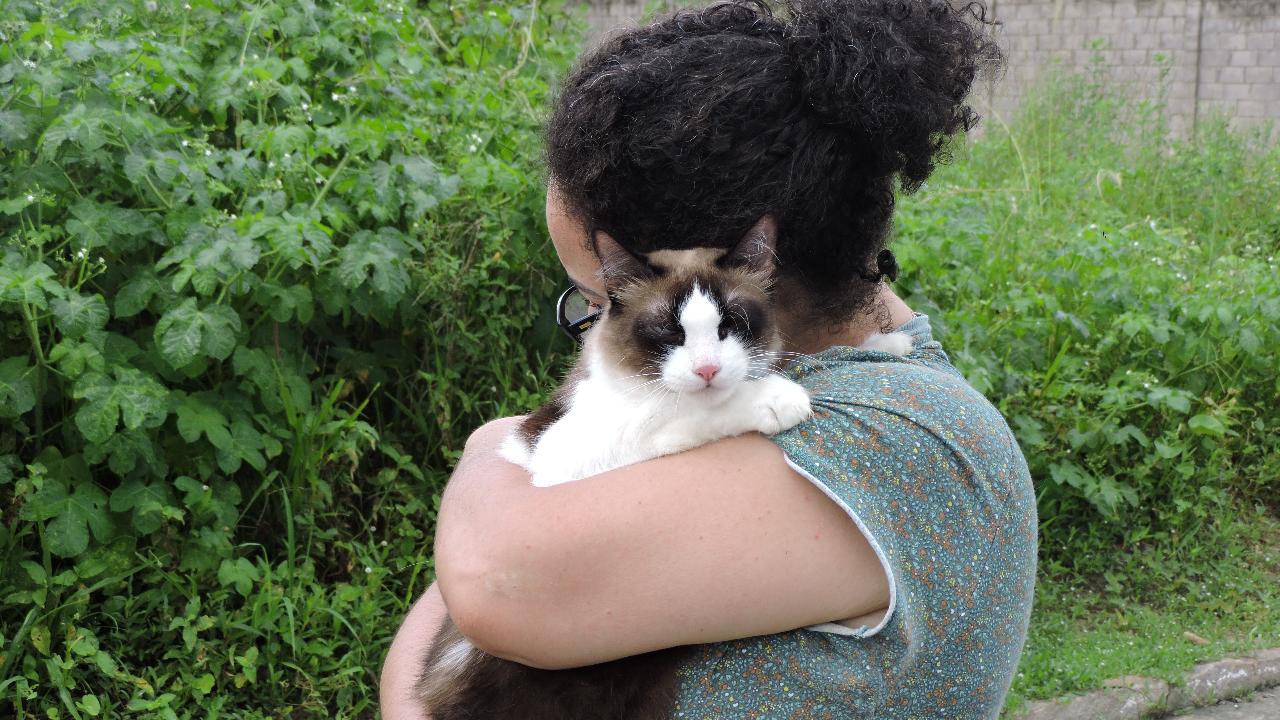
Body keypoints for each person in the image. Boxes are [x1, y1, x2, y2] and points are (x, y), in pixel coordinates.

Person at [380, 0, 1036, 717]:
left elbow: (488, 580)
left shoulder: (898, 439)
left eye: (598, 306)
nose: (594, 333)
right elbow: (431, 672)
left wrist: (490, 448)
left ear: (731, 275)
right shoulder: (813, 397)